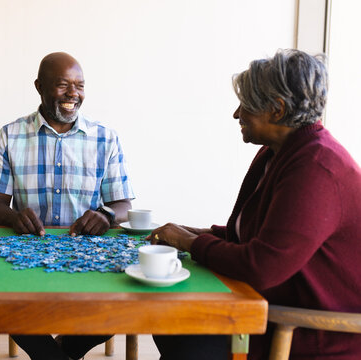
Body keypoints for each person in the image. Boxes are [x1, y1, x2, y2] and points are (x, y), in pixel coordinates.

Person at [148, 49, 361, 360]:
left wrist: (189, 241)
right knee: (169, 319)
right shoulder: (277, 152)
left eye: (245, 105)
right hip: (267, 309)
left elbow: (261, 266)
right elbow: (252, 236)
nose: (237, 114)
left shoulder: (316, 167)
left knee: (185, 339)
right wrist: (188, 232)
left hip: (308, 333)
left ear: (276, 109)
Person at [0, 52, 134, 360]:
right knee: (3, 302)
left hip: (90, 254)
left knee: (124, 302)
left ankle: (61, 351)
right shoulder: (10, 135)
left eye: (80, 85)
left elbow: (123, 204)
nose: (73, 94)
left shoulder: (106, 137)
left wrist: (105, 214)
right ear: (39, 87)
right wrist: (13, 218)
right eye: (62, 85)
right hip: (28, 252)